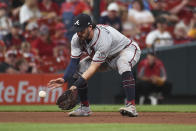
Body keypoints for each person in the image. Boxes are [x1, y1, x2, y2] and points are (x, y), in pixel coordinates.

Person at [48, 14, 141, 117]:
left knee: (123, 63)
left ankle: (131, 106)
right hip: (105, 57)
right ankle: (84, 108)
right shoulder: (76, 39)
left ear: (90, 27)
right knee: (78, 69)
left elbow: (93, 68)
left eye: (81, 30)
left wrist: (76, 85)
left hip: (126, 50)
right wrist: (64, 78)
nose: (79, 33)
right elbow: (74, 62)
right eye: (77, 30)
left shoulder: (102, 38)